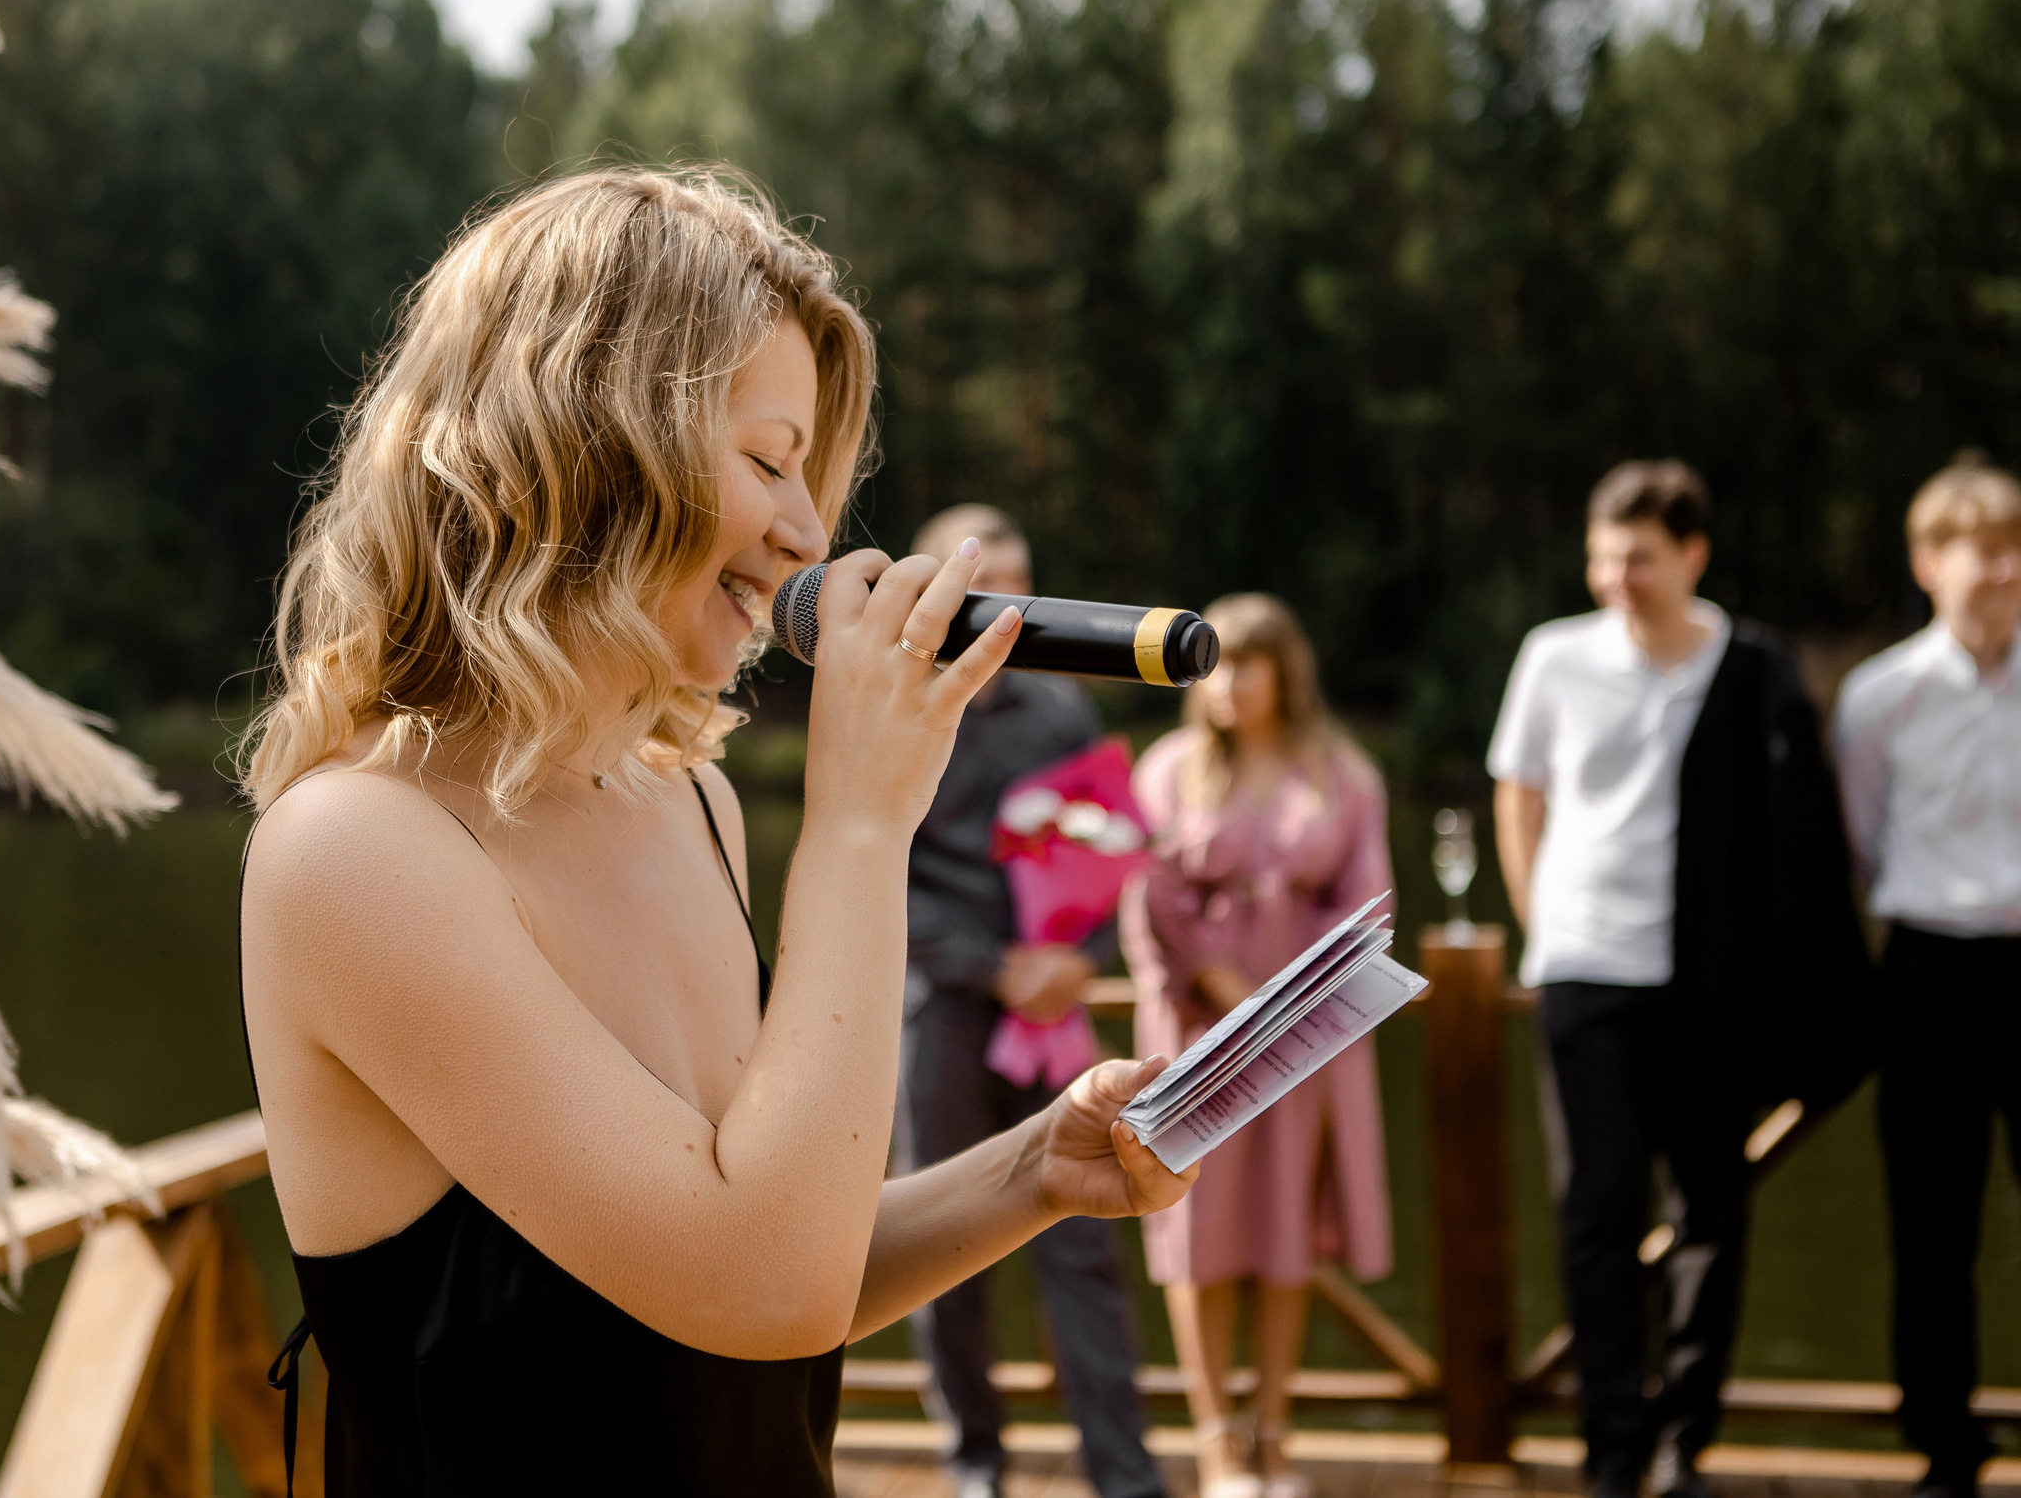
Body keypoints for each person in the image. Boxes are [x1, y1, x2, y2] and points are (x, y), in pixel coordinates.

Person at [236, 167, 1195, 1498]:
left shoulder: (690, 799)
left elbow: (765, 1257)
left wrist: (1033, 1167)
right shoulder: (354, 851)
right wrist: (863, 823)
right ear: (585, 443)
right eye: (766, 458)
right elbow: (764, 1284)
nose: (807, 531)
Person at [1488, 460, 1866, 1498]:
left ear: (1692, 555)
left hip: (1711, 980)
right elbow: (1517, 795)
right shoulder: (1552, 657)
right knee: (1597, 1208)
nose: (1616, 576)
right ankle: (1611, 1446)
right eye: (1602, 556)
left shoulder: (1750, 667)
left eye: (1639, 558)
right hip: (1582, 971)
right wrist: (1543, 922)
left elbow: (1799, 842)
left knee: (1711, 1210)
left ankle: (1679, 1445)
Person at [900, 503, 1165, 1498]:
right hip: (944, 1009)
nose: (998, 602)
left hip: (1053, 1011)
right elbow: (871, 866)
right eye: (978, 583)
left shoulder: (1064, 713)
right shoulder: (900, 705)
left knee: (1085, 1245)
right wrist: (986, 964)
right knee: (936, 1248)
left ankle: (1124, 1474)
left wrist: (1075, 958)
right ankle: (976, 1468)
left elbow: (1108, 853)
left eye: (1015, 584)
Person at [1124, 594, 1395, 1498]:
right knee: (1195, 1229)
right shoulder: (1166, 770)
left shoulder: (1343, 776)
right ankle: (1215, 1444)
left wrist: (1288, 1003)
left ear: (1286, 670)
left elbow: (1369, 907)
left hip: (1305, 1038)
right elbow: (1145, 894)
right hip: (1199, 1032)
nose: (1230, 682)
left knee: (1288, 1231)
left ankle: (1274, 1433)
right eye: (1216, 663)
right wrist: (1222, 985)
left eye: (1248, 662)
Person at [1834, 455, 2021, 1498]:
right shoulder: (1880, 697)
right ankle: (1945, 1450)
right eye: (1977, 551)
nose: (1999, 572)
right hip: (1928, 973)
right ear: (1925, 562)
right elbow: (1858, 846)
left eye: (2012, 550)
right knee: (1932, 1228)